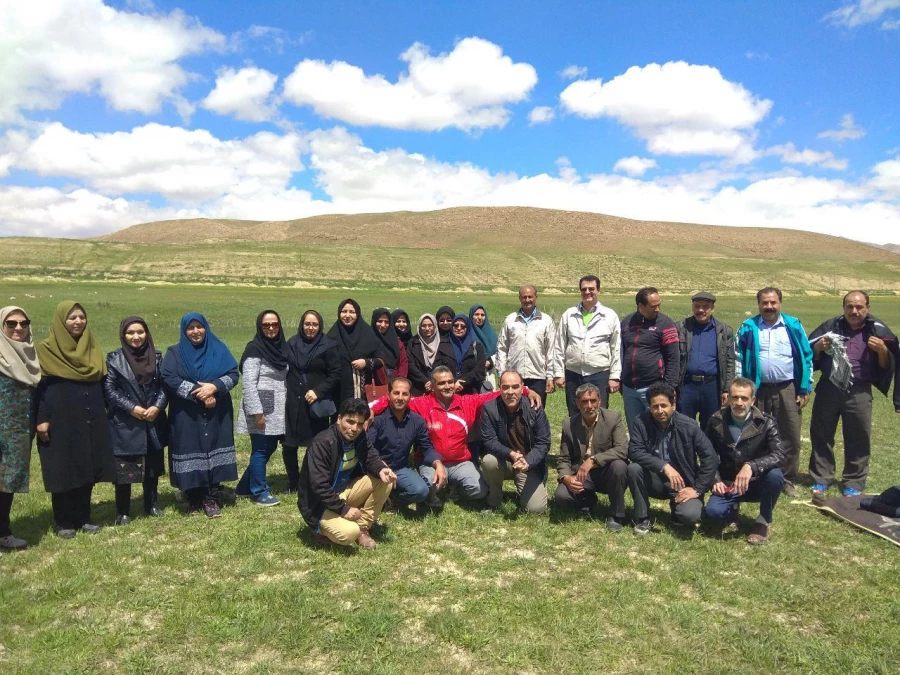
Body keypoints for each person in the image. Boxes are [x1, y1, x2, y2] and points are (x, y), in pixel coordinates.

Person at [368, 366, 542, 506]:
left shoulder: (467, 402)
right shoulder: (421, 404)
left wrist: (527, 390)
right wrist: (370, 409)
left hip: (460, 462)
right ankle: (433, 490)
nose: (447, 386)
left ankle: (455, 487)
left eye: (450, 382)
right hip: (431, 462)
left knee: (479, 491)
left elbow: (496, 394)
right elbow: (396, 399)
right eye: (441, 383)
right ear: (433, 386)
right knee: (426, 490)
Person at [35, 301, 115, 537]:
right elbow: (36, 390)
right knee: (61, 466)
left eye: (81, 317)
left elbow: (102, 381)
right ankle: (63, 520)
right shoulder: (45, 350)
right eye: (72, 318)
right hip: (58, 419)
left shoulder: (92, 346)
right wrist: (41, 418)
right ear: (61, 321)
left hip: (91, 416)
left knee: (86, 465)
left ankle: (84, 516)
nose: (78, 322)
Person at [807, 291, 899, 496]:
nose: (854, 311)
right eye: (849, 306)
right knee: (821, 433)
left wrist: (883, 351)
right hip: (829, 388)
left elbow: (886, 367)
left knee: (859, 436)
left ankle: (854, 482)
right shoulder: (830, 327)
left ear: (868, 308)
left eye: (859, 307)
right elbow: (807, 353)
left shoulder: (877, 330)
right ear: (844, 308)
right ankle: (822, 477)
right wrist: (818, 349)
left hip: (859, 391)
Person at [735, 287, 813, 497]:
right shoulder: (748, 327)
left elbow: (806, 356)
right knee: (754, 433)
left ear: (780, 303)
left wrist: (805, 387)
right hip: (756, 390)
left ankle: (786, 479)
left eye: (773, 302)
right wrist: (742, 390)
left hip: (787, 388)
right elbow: (738, 358)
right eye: (764, 303)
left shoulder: (793, 326)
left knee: (790, 434)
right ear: (758, 304)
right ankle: (756, 476)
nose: (769, 307)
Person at [161, 313, 240, 518]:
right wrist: (200, 392)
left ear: (206, 328)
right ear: (184, 331)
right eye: (191, 328)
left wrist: (214, 387)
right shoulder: (175, 353)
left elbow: (233, 373)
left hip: (217, 411)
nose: (196, 331)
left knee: (215, 445)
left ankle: (211, 495)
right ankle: (193, 495)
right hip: (186, 412)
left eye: (199, 327)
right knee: (189, 446)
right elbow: (168, 376)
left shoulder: (218, 348)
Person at [298, 398, 396, 549]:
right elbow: (319, 486)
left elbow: (371, 456)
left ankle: (363, 528)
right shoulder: (323, 442)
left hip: (345, 491)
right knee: (349, 533)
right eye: (350, 422)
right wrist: (343, 509)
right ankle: (322, 529)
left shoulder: (360, 436)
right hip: (319, 503)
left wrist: (381, 469)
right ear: (339, 419)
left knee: (384, 480)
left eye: (359, 424)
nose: (354, 428)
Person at [627, 382, 718, 535]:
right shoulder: (641, 422)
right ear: (649, 406)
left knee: (690, 516)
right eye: (655, 406)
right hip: (655, 479)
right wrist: (664, 466)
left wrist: (697, 489)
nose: (660, 411)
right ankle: (643, 518)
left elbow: (711, 458)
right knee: (634, 469)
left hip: (683, 483)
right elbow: (634, 451)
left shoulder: (689, 426)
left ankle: (678, 510)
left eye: (664, 405)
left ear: (673, 405)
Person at [703, 378, 786, 544]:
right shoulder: (715, 421)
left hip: (755, 482)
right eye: (735, 397)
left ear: (753, 400)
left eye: (744, 398)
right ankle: (732, 508)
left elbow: (780, 454)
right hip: (728, 483)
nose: (739, 403)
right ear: (728, 398)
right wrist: (715, 479)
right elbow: (707, 455)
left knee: (776, 476)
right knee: (712, 514)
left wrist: (751, 466)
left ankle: (763, 521)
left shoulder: (766, 422)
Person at [104, 316, 168, 525]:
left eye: (140, 332)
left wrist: (157, 406)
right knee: (125, 468)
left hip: (153, 419)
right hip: (127, 422)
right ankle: (123, 511)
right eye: (130, 333)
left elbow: (165, 386)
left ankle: (151, 504)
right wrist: (131, 408)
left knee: (152, 466)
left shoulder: (158, 357)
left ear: (147, 333)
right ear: (123, 335)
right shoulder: (114, 359)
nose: (136, 337)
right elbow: (109, 390)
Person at [554, 383, 629, 531]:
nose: (589, 405)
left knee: (619, 466)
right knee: (561, 495)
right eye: (584, 401)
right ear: (577, 403)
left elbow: (622, 449)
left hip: (606, 471)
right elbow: (563, 458)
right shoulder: (568, 424)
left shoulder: (613, 418)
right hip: (582, 475)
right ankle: (587, 501)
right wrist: (566, 478)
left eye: (593, 401)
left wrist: (594, 460)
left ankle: (616, 515)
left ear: (599, 401)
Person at [283, 310, 341, 493]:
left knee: (315, 444)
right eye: (307, 324)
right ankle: (293, 481)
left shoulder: (328, 346)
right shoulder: (292, 343)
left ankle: (311, 480)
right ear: (302, 324)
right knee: (289, 444)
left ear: (320, 326)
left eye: (314, 324)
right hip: (292, 401)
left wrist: (318, 391)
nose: (310, 328)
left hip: (315, 403)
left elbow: (335, 374)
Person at [235, 310, 288, 507]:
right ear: (260, 326)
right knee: (260, 449)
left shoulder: (281, 348)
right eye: (266, 325)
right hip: (261, 407)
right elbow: (248, 383)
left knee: (269, 446)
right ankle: (259, 492)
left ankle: (244, 487)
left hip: (277, 408)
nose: (271, 328)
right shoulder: (254, 349)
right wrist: (257, 412)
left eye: (274, 324)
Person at [367, 377, 447, 508]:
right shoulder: (377, 420)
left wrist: (438, 464)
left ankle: (391, 500)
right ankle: (378, 495)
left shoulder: (417, 421)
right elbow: (369, 448)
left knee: (421, 491)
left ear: (410, 397)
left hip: (399, 469)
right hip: (375, 469)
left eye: (405, 394)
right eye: (396, 393)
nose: (400, 397)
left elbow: (426, 447)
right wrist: (381, 467)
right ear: (388, 395)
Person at [481, 371, 551, 514]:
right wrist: (510, 454)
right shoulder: (489, 408)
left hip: (527, 463)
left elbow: (544, 443)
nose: (510, 392)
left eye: (515, 387)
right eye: (505, 387)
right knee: (489, 461)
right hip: (502, 461)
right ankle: (494, 498)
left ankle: (525, 489)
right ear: (499, 387)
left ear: (522, 388)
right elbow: (489, 441)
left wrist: (528, 461)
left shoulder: (535, 408)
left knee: (536, 509)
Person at [0, 306, 41, 550]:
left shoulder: (31, 356)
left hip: (18, 432)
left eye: (23, 323)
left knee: (8, 482)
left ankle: (3, 532)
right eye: (11, 323)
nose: (18, 328)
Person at [552, 275, 621, 416]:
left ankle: (599, 439)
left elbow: (616, 347)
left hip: (600, 373)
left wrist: (614, 376)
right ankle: (576, 438)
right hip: (573, 373)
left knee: (599, 414)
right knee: (575, 412)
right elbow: (559, 345)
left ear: (598, 290)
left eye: (591, 289)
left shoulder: (609, 316)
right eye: (584, 289)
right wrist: (558, 373)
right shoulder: (569, 315)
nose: (587, 292)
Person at [620, 287, 681, 435]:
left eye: (659, 304)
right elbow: (621, 351)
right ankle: (638, 456)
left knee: (658, 428)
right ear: (641, 306)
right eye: (653, 306)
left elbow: (673, 357)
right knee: (635, 428)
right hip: (630, 388)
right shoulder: (627, 323)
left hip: (654, 387)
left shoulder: (665, 323)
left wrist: (670, 386)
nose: (658, 309)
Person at [676, 291, 735, 430]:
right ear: (692, 307)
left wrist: (727, 389)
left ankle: (708, 452)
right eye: (697, 306)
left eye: (705, 307)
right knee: (684, 426)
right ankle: (686, 452)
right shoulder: (681, 328)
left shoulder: (724, 331)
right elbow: (673, 358)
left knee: (711, 426)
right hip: (687, 385)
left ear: (712, 308)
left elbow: (729, 361)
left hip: (712, 386)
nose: (700, 310)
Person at [496, 285, 556, 405]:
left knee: (536, 410)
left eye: (530, 297)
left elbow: (551, 350)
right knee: (513, 411)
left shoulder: (546, 321)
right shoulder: (510, 320)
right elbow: (502, 348)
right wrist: (502, 373)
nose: (527, 300)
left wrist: (550, 376)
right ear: (519, 299)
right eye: (524, 297)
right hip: (514, 376)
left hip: (537, 375)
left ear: (536, 298)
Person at [326, 299, 385, 403]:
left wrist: (366, 362)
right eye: (344, 311)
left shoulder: (367, 333)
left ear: (357, 314)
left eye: (352, 312)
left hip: (363, 393)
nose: (347, 315)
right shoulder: (332, 336)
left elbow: (380, 360)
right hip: (338, 392)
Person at [407, 314, 455, 395]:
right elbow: (410, 364)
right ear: (419, 327)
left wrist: (435, 381)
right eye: (424, 326)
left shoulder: (444, 342)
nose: (427, 328)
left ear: (435, 326)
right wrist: (426, 381)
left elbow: (448, 363)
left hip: (440, 385)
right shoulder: (413, 342)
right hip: (419, 385)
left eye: (430, 325)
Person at [449, 314, 486, 394]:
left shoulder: (477, 347)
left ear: (468, 328)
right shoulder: (444, 346)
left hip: (471, 391)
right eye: (456, 325)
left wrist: (461, 381)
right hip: (449, 390)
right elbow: (440, 368)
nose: (459, 328)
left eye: (463, 326)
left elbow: (479, 370)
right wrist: (454, 382)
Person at [370, 307, 407, 385]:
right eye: (380, 321)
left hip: (395, 381)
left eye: (386, 322)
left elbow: (403, 363)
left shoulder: (397, 342)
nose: (383, 325)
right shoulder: (368, 340)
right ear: (374, 321)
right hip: (375, 383)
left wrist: (399, 381)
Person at [469, 304, 498, 391]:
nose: (480, 317)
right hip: (470, 375)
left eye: (482, 315)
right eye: (476, 314)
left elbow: (499, 352)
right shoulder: (467, 333)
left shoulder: (491, 334)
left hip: (488, 374)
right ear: (471, 316)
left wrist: (490, 362)